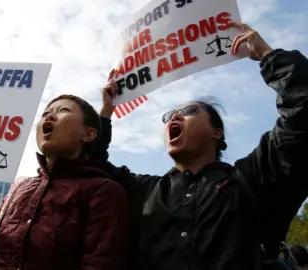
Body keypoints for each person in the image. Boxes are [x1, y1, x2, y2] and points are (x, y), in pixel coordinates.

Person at [96, 21, 308, 270]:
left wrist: (268, 56)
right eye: (168, 117)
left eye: (189, 111)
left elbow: (301, 116)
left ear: (216, 133)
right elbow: (91, 168)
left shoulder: (251, 180)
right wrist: (106, 112)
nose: (174, 118)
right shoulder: (145, 191)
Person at [0, 94, 129, 270]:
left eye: (63, 110)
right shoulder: (20, 187)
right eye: (45, 113)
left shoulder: (104, 192)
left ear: (89, 134)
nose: (49, 115)